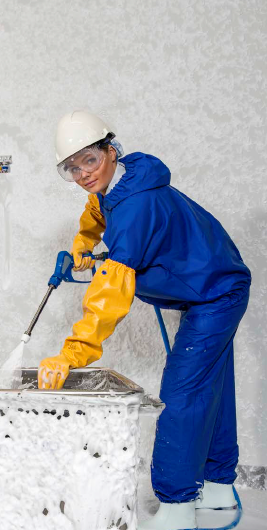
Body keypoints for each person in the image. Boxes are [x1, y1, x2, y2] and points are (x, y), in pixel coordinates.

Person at [38, 110, 251, 530]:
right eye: (72, 167)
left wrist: (72, 354)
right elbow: (98, 211)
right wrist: (83, 246)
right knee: (211, 387)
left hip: (216, 293)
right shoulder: (122, 180)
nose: (83, 174)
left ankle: (177, 508)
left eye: (89, 160)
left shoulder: (137, 205)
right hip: (212, 283)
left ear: (110, 151)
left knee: (182, 392)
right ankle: (218, 488)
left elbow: (110, 297)